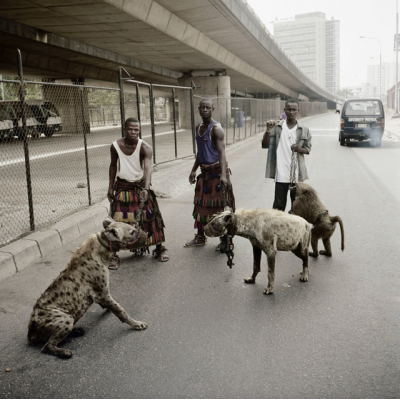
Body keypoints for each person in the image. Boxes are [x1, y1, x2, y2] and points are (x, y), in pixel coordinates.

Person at [107, 117, 168, 269]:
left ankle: (159, 248)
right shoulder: (115, 146)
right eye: (130, 129)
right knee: (118, 221)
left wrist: (146, 189)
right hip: (122, 188)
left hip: (140, 187)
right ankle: (113, 255)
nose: (133, 132)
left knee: (151, 218)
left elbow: (148, 169)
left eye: (136, 129)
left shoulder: (145, 147)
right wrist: (110, 187)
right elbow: (113, 166)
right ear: (125, 129)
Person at [184, 98, 235, 247]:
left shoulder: (216, 128)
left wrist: (224, 176)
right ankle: (200, 237)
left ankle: (225, 240)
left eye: (208, 107)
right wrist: (193, 170)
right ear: (198, 109)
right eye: (202, 107)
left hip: (217, 173)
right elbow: (201, 152)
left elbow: (222, 152)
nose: (205, 110)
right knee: (201, 206)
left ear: (213, 109)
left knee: (221, 208)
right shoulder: (198, 127)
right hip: (204, 173)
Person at [263, 98, 312, 212]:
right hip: (281, 174)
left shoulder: (304, 129)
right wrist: (268, 130)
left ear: (298, 110)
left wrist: (298, 148)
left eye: (294, 110)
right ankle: (278, 229)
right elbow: (265, 145)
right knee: (278, 207)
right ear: (284, 110)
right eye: (289, 109)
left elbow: (308, 149)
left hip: (296, 174)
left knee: (296, 207)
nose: (291, 112)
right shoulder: (277, 127)